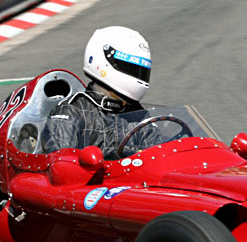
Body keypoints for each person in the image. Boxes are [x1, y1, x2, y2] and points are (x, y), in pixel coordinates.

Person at [42, 25, 161, 158]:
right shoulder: (72, 112)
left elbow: (160, 161)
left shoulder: (139, 116)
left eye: (142, 71)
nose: (138, 76)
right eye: (132, 68)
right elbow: (60, 164)